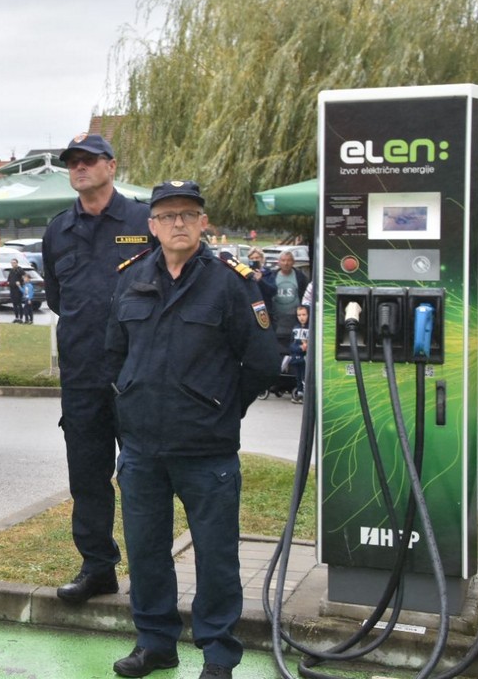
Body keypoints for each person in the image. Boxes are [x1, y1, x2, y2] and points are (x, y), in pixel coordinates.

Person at [104, 180, 279, 679]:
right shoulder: (131, 276)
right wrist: (129, 400)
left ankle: (219, 654)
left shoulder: (232, 281)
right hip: (140, 448)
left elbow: (262, 362)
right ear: (152, 225)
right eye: (167, 215)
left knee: (216, 556)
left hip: (207, 450)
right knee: (145, 550)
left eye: (188, 214)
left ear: (204, 223)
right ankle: (155, 642)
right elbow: (113, 353)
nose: (178, 223)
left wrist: (221, 409)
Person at [40, 132, 153, 604]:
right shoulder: (57, 229)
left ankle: (150, 574)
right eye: (72, 163)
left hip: (138, 373)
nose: (79, 168)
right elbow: (56, 298)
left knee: (144, 477)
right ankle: (98, 568)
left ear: (112, 165)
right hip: (83, 375)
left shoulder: (144, 220)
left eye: (88, 160)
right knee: (87, 476)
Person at [258, 250, 308, 341]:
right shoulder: (272, 276)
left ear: (293, 262)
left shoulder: (300, 277)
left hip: (295, 318)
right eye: (283, 260)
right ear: (279, 262)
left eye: (289, 260)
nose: (286, 263)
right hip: (277, 318)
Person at [287, 305, 309, 403]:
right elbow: (291, 344)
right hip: (296, 356)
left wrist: (307, 347)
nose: (301, 317)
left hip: (306, 358)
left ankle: (305, 394)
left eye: (304, 314)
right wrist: (299, 348)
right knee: (298, 377)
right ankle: (300, 394)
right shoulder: (295, 328)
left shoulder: (311, 328)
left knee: (305, 376)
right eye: (299, 315)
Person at [6, 258, 26, 323]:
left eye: (14, 263)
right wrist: (8, 282)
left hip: (18, 289)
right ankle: (16, 317)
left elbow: (24, 277)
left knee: (19, 303)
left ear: (17, 263)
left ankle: (21, 318)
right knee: (14, 304)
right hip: (12, 289)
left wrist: (21, 283)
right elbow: (9, 279)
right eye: (12, 263)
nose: (13, 264)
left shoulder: (20, 270)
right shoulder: (11, 271)